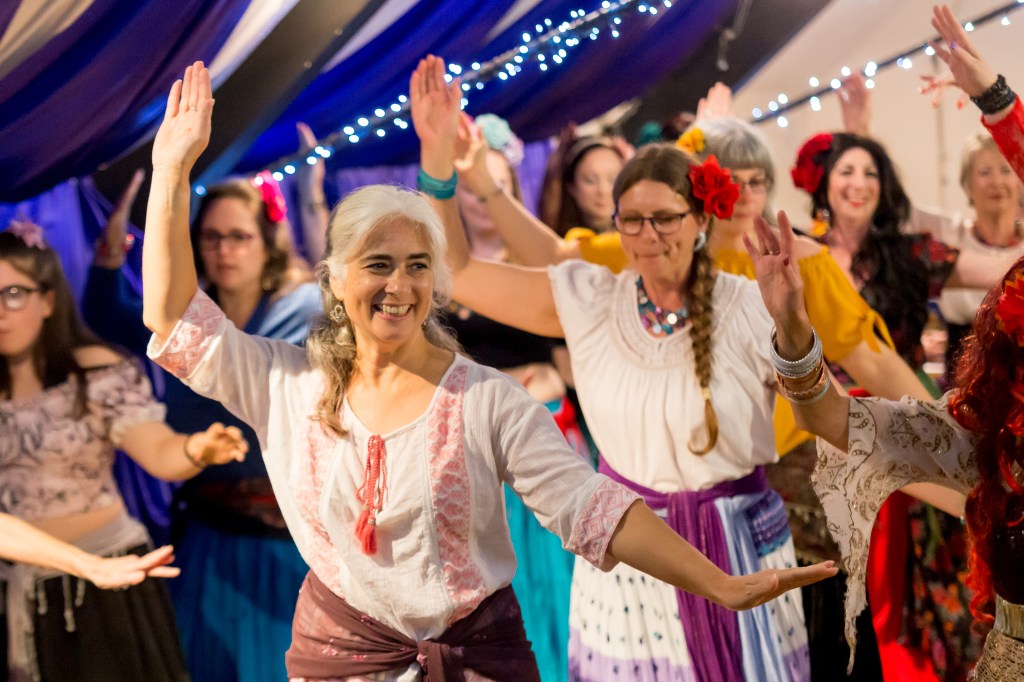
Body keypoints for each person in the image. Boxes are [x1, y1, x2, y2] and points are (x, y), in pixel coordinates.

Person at [141, 60, 835, 680]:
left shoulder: (485, 399)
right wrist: (170, 172)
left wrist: (717, 583)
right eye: (378, 264)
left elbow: (587, 504)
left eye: (418, 266)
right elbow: (172, 318)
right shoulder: (286, 384)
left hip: (477, 660)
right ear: (335, 279)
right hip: (339, 660)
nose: (399, 285)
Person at [413, 54, 827, 681]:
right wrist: (437, 158)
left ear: (701, 219)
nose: (648, 235)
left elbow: (822, 414)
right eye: (631, 220)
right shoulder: (589, 299)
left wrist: (794, 323)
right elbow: (458, 273)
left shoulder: (749, 304)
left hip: (741, 543)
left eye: (665, 218)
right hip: (631, 556)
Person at [82, 164, 322, 682]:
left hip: (295, 541)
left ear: (267, 243)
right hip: (210, 537)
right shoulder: (184, 322)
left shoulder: (310, 310)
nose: (224, 251)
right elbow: (104, 315)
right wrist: (111, 246)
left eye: (239, 236)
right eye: (211, 237)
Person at [0, 220, 247, 681]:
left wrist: (197, 448)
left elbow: (158, 452)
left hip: (107, 578)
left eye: (13, 294)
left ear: (48, 299)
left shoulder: (94, 372)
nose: (1, 312)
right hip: (16, 585)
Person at [450, 112, 581, 681]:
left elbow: (569, 359)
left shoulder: (534, 265)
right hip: (465, 443)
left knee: (547, 580)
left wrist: (541, 382)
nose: (483, 199)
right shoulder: (439, 273)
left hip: (538, 432)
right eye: (473, 187)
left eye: (496, 186)